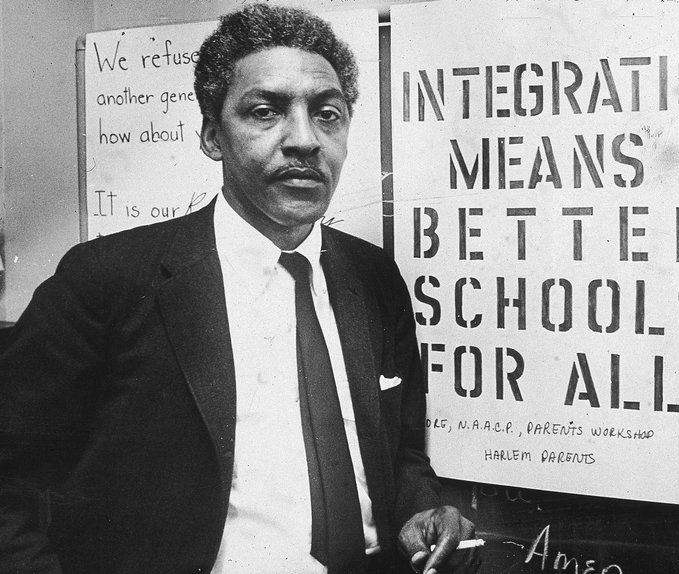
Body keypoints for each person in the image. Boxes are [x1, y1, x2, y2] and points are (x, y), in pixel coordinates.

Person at [0, 4, 480, 574]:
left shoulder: (373, 277)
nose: (305, 140)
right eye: (265, 111)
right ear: (211, 136)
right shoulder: (107, 278)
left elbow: (399, 454)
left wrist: (420, 513)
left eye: (328, 114)